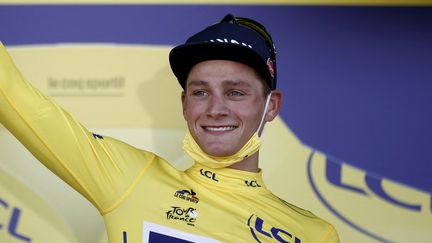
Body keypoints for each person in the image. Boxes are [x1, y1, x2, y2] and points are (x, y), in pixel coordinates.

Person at [0, 14, 339, 242]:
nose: (215, 109)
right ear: (184, 104)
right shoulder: (129, 178)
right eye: (200, 92)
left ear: (271, 106)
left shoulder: (314, 234)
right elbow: (13, 96)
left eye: (235, 92)